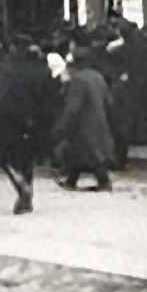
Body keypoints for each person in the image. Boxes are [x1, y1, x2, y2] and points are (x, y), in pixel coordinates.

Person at [49, 50, 115, 192]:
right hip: (99, 119)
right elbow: (109, 100)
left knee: (83, 152)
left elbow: (73, 106)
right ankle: (74, 180)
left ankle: (101, 181)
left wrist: (62, 125)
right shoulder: (98, 77)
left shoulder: (78, 80)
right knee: (90, 153)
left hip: (83, 122)